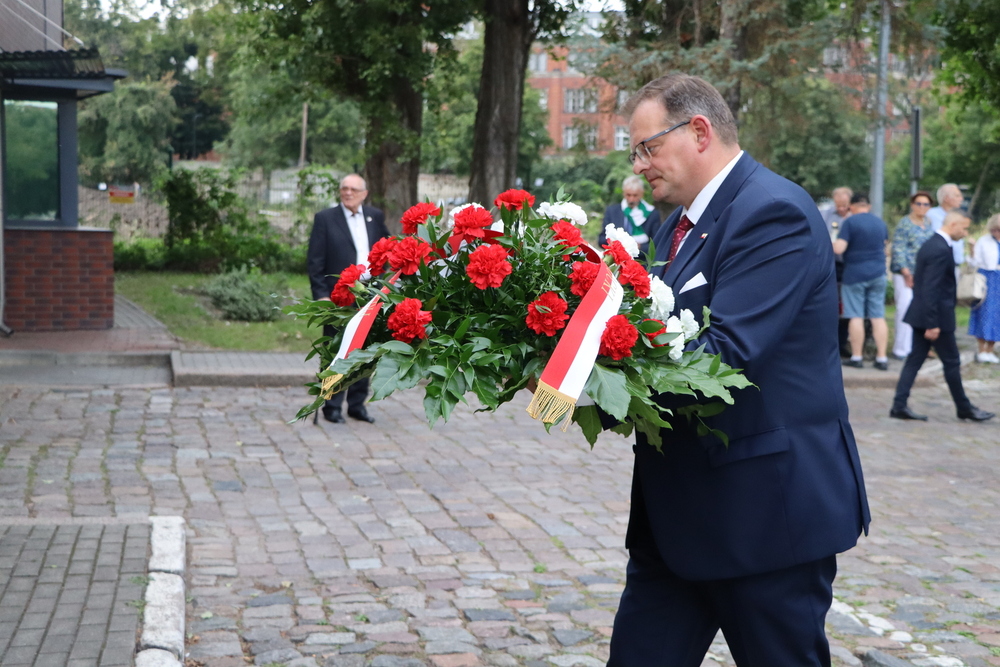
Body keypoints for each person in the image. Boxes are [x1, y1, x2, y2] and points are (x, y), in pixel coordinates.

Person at [611, 73, 869, 667]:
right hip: (678, 516)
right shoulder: (673, 225)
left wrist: (596, 381)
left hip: (764, 519)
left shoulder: (772, 211)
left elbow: (724, 355)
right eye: (635, 152)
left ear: (699, 131)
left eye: (648, 147)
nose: (640, 164)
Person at [890, 211, 994, 422]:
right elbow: (931, 288)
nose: (965, 233)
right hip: (935, 317)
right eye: (964, 228)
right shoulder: (938, 248)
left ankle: (899, 405)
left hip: (925, 314)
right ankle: (964, 408)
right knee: (951, 361)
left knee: (915, 360)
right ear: (953, 224)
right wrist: (932, 323)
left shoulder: (934, 244)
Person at [307, 173, 390, 424]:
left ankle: (357, 405)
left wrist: (385, 285)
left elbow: (387, 249)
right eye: (344, 188)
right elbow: (315, 261)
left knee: (365, 350)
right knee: (335, 351)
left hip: (370, 295)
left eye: (353, 189)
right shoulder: (325, 218)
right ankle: (331, 406)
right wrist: (321, 295)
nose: (348, 192)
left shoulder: (375, 216)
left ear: (364, 194)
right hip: (339, 296)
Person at [834, 193, 890, 370]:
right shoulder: (880, 223)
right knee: (878, 316)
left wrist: (832, 241)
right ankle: (882, 358)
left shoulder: (850, 222)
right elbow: (886, 247)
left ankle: (857, 357)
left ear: (851, 206)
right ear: (868, 206)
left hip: (855, 275)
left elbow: (839, 248)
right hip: (879, 274)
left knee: (855, 316)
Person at [889, 192, 936, 359]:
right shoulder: (905, 223)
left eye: (926, 204)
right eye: (918, 203)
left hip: (924, 273)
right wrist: (906, 272)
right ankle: (901, 348)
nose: (922, 207)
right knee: (905, 307)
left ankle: (917, 347)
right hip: (906, 273)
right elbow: (898, 248)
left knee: (920, 309)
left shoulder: (928, 223)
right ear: (912, 205)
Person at [598, 175, 663, 257]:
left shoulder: (652, 213)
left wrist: (638, 247)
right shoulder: (612, 211)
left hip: (640, 260)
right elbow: (601, 240)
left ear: (642, 194)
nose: (631, 199)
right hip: (615, 259)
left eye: (635, 195)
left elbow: (657, 244)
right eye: (628, 195)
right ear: (623, 193)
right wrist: (617, 244)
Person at [823, 187, 853, 356]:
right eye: (838, 205)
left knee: (846, 306)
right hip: (830, 264)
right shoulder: (826, 214)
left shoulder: (854, 216)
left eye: (844, 205)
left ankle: (842, 343)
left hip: (848, 265)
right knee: (831, 305)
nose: (841, 208)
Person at [969, 213, 1000, 363]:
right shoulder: (984, 241)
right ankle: (981, 350)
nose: (997, 233)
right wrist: (971, 250)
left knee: (997, 315)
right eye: (995, 229)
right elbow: (974, 262)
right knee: (984, 313)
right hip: (987, 279)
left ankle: (990, 350)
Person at [927, 183, 967, 266]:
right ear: (946, 198)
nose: (961, 199)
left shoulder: (959, 216)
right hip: (938, 264)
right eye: (957, 196)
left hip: (955, 265)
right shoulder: (930, 215)